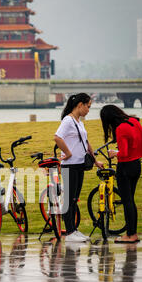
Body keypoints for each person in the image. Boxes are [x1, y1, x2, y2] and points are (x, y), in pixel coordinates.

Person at [54, 93, 103, 242]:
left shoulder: (79, 122)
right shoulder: (68, 120)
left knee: (74, 199)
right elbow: (57, 137)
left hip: (80, 165)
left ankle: (73, 230)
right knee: (69, 200)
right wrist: (67, 153)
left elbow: (86, 143)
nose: (88, 110)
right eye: (88, 106)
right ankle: (69, 233)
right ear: (80, 105)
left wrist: (95, 161)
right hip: (69, 165)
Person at [100, 105, 142, 243]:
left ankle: (130, 235)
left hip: (125, 167)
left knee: (127, 201)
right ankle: (133, 233)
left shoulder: (120, 128)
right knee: (131, 200)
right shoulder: (134, 121)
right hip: (137, 165)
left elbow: (124, 153)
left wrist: (114, 153)